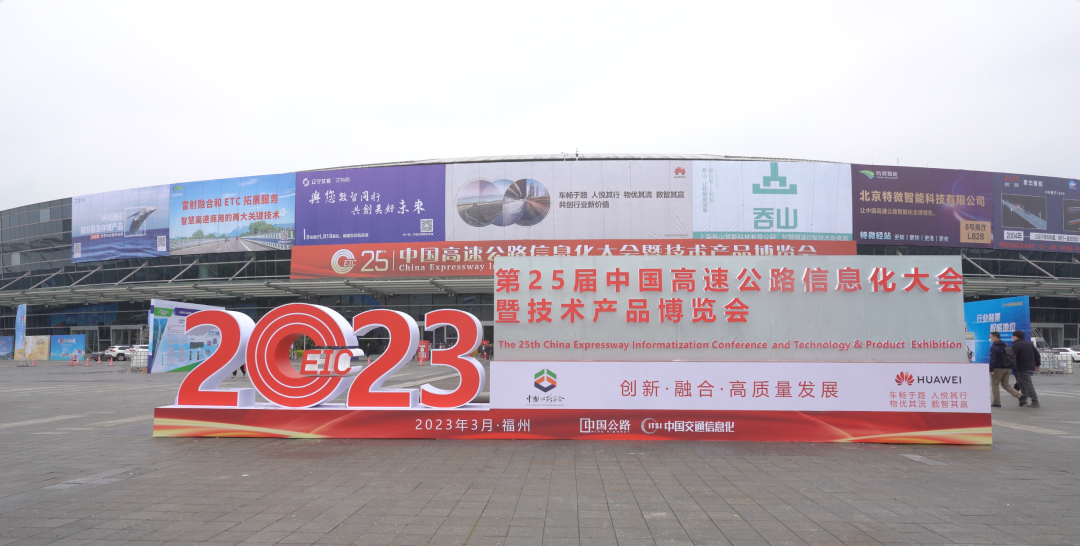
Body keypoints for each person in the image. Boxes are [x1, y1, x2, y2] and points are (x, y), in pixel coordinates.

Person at [988, 332, 1021, 407]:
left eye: (991, 337)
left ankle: (996, 402)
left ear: (995, 337)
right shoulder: (1006, 345)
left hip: (998, 368)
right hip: (1007, 368)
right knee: (1005, 384)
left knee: (995, 385)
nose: (990, 339)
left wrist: (991, 370)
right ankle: (1020, 396)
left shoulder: (994, 347)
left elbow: (993, 359)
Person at [1011, 330, 1041, 408]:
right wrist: (1037, 364)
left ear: (1016, 337)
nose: (1012, 338)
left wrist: (1009, 365)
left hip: (1022, 367)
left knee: (1028, 384)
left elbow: (1012, 356)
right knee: (1021, 382)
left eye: (1013, 336)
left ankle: (1035, 401)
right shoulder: (1029, 344)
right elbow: (1037, 354)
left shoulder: (1016, 345)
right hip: (1030, 366)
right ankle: (1023, 399)